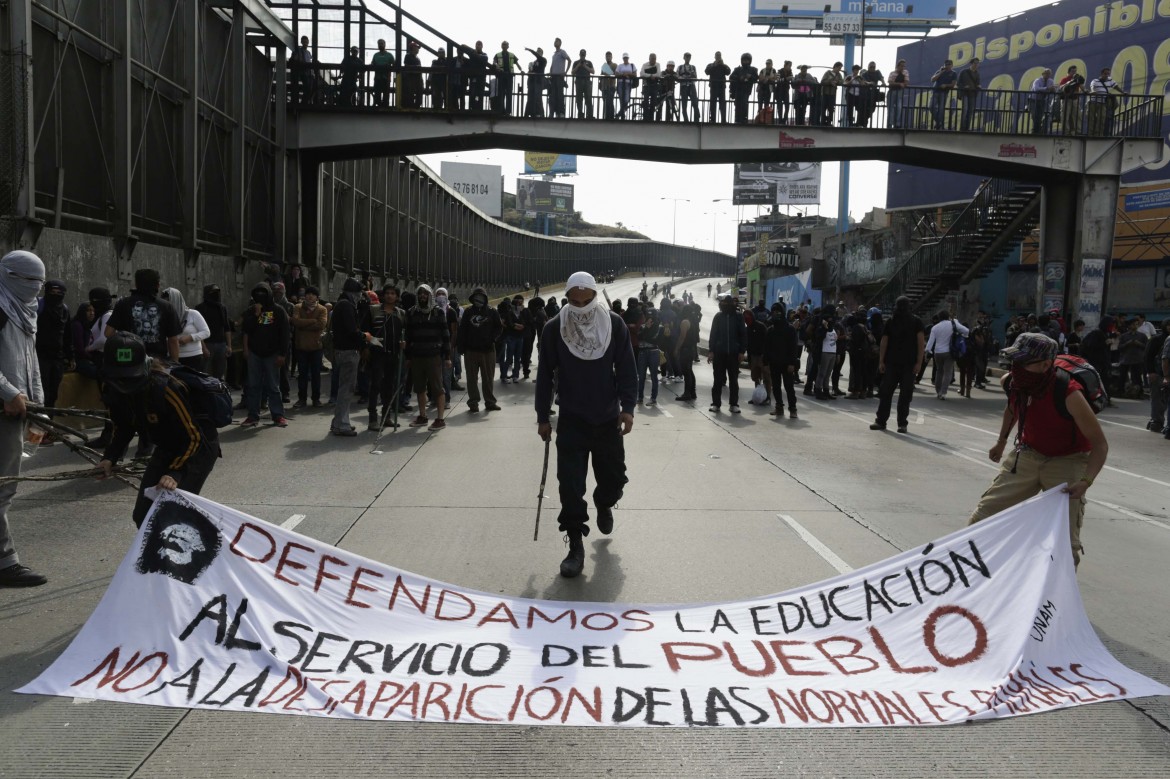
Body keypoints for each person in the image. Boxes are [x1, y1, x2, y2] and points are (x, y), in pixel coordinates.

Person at [967, 333, 1108, 568]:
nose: (1016, 367)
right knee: (981, 519)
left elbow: (1100, 445)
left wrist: (1085, 481)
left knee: (1064, 548)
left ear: (1045, 365)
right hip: (1028, 454)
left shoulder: (1069, 393)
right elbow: (1012, 408)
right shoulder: (1014, 381)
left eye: (1024, 362)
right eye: (1015, 361)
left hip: (1068, 460)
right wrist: (1001, 441)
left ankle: (1055, 600)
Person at [535, 271, 636, 579]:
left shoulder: (614, 325)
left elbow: (627, 368)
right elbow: (544, 375)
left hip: (607, 419)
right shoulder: (555, 329)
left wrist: (628, 408)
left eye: (586, 300)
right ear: (566, 297)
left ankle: (605, 502)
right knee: (570, 486)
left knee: (614, 480)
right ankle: (575, 544)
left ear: (594, 296)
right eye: (573, 301)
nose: (580, 306)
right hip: (572, 420)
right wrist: (542, 416)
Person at [98, 331, 220, 529]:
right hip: (165, 447)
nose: (124, 384)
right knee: (143, 516)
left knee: (171, 517)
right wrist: (109, 457)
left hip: (196, 450)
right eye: (119, 378)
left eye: (129, 377)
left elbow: (193, 436)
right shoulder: (113, 389)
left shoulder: (165, 387)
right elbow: (123, 426)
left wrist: (175, 473)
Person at [0, 250, 48, 587]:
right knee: (2, 487)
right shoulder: (2, 310)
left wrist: (39, 408)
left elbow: (29, 363)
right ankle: (5, 562)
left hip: (18, 409)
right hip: (4, 408)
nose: (35, 288)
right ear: (9, 275)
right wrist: (7, 392)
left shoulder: (22, 311)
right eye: (29, 281)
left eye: (39, 283)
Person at [870, 296, 926, 433]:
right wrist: (882, 361)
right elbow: (885, 341)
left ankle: (899, 423)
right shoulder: (892, 321)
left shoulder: (914, 322)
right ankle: (885, 422)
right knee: (890, 393)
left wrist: (919, 362)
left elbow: (920, 343)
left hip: (905, 364)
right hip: (894, 364)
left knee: (899, 394)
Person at [239, 282, 289, 428]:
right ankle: (252, 416)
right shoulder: (251, 311)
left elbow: (285, 333)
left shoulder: (278, 311)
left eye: (263, 293)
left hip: (272, 354)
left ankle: (278, 415)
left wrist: (282, 354)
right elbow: (246, 329)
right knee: (253, 386)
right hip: (255, 354)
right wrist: (256, 315)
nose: (259, 296)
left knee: (273, 386)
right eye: (257, 293)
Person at [106, 267, 181, 362]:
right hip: (157, 361)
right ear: (158, 285)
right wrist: (175, 364)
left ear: (136, 284)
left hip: (126, 357)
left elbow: (108, 333)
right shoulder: (167, 306)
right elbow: (173, 341)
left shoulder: (122, 303)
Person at [404, 284, 451, 430]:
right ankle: (423, 416)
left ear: (430, 295)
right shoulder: (412, 313)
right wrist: (408, 357)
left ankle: (440, 419)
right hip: (417, 356)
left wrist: (448, 356)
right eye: (420, 294)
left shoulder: (438, 313)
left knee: (437, 388)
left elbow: (446, 335)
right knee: (419, 388)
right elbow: (408, 336)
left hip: (434, 356)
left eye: (425, 294)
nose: (422, 296)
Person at [329, 278, 372, 436]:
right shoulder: (346, 306)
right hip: (348, 351)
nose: (360, 296)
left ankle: (338, 421)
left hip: (341, 350)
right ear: (353, 292)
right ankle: (342, 424)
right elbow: (352, 330)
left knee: (343, 388)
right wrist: (365, 337)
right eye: (359, 292)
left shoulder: (341, 304)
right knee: (346, 389)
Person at [458, 287, 502, 413]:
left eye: (481, 296)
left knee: (488, 378)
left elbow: (499, 328)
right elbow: (462, 330)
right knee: (471, 379)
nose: (479, 299)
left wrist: (492, 339)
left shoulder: (492, 312)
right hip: (470, 351)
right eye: (476, 296)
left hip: (488, 351)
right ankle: (473, 403)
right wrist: (461, 346)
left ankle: (490, 402)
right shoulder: (468, 312)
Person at [34, 279, 70, 410]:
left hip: (57, 357)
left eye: (58, 292)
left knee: (53, 392)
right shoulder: (38, 305)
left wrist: (70, 357)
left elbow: (67, 335)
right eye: (52, 292)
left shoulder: (64, 310)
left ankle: (49, 420)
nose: (55, 295)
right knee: (43, 390)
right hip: (40, 356)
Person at [708, 294, 746, 413]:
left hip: (734, 354)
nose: (725, 305)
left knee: (733, 380)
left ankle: (734, 404)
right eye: (724, 303)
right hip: (719, 354)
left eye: (727, 303)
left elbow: (743, 335)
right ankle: (716, 404)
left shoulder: (739, 317)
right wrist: (711, 351)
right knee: (718, 380)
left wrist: (741, 352)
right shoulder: (718, 317)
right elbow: (713, 335)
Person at [291, 286, 327, 408]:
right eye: (308, 294)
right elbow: (295, 322)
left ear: (317, 297)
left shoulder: (322, 309)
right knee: (302, 374)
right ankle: (302, 399)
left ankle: (316, 399)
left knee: (316, 375)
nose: (310, 296)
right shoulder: (298, 307)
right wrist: (312, 321)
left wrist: (303, 324)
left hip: (316, 347)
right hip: (301, 346)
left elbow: (321, 324)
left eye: (313, 294)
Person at [160, 287, 210, 371]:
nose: (167, 306)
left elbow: (206, 332)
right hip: (173, 358)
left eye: (169, 302)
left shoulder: (193, 314)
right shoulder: (164, 316)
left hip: (194, 358)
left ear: (177, 301)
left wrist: (190, 337)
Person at [924, 309, 968, 400]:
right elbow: (966, 331)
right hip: (949, 352)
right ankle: (943, 393)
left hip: (937, 352)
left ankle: (938, 391)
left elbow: (930, 342)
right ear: (948, 316)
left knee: (939, 371)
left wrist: (927, 352)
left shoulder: (935, 327)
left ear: (939, 318)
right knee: (947, 372)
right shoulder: (953, 323)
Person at [195, 284, 232, 382]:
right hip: (207, 344)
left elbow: (226, 327)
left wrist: (229, 345)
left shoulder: (222, 308)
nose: (216, 295)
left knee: (220, 374)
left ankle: (219, 394)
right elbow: (197, 330)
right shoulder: (200, 308)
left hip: (221, 344)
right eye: (213, 293)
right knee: (204, 374)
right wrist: (203, 347)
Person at [1087, 66, 1126, 136]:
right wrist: (1093, 91)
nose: (1107, 75)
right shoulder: (1095, 81)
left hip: (1102, 103)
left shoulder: (1110, 81)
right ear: (1101, 74)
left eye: (1108, 74)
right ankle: (1090, 134)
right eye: (1105, 74)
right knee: (1091, 119)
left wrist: (1122, 92)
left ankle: (1099, 134)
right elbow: (1092, 87)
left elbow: (1116, 87)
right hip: (1093, 102)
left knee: (1101, 119)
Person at [730, 53, 758, 124]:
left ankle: (744, 118)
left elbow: (756, 78)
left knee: (744, 103)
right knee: (737, 104)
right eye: (744, 60)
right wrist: (739, 78)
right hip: (738, 89)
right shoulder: (737, 69)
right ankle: (737, 119)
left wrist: (750, 77)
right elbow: (731, 77)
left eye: (747, 60)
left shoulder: (753, 70)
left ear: (750, 61)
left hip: (746, 90)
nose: (745, 62)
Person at [929, 59, 957, 130]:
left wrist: (946, 85)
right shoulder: (939, 71)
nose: (947, 66)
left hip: (944, 93)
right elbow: (932, 79)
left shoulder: (953, 73)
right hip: (935, 91)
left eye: (949, 64)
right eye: (946, 64)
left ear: (952, 65)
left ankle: (939, 124)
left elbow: (953, 85)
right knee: (931, 107)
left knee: (941, 109)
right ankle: (939, 122)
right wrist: (941, 72)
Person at [1059, 65, 1085, 135]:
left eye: (1075, 71)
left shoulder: (1077, 79)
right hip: (1066, 99)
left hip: (1075, 100)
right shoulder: (1064, 79)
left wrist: (1086, 91)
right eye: (1073, 71)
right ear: (1069, 72)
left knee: (1078, 116)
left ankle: (1078, 131)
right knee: (1065, 116)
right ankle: (1066, 132)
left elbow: (1083, 88)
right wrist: (1069, 83)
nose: (1074, 73)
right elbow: (1061, 88)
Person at [547, 38, 570, 118]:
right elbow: (553, 65)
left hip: (559, 77)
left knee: (560, 95)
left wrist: (565, 72)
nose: (555, 42)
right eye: (555, 41)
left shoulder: (562, 52)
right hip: (553, 77)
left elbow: (569, 60)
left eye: (557, 41)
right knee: (553, 96)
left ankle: (561, 113)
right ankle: (555, 112)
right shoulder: (554, 54)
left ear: (560, 43)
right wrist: (550, 72)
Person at [1029, 68, 1056, 134]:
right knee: (1035, 116)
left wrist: (1053, 90)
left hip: (1042, 100)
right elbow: (1036, 89)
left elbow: (1053, 90)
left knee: (1040, 116)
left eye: (1049, 74)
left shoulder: (1051, 81)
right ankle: (1035, 130)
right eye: (1046, 73)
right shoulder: (1037, 80)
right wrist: (1047, 88)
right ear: (1042, 74)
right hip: (1033, 100)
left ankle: (1036, 131)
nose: (1047, 75)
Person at [957, 58, 981, 131]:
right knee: (965, 110)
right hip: (964, 93)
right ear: (971, 63)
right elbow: (958, 83)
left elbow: (978, 83)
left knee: (970, 111)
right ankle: (962, 128)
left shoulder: (977, 73)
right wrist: (964, 87)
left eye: (978, 63)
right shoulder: (963, 72)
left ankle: (967, 128)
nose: (976, 64)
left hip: (972, 94)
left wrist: (979, 86)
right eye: (975, 63)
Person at [289, 36, 315, 105]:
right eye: (304, 42)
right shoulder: (299, 51)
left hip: (309, 72)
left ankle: (305, 102)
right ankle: (305, 103)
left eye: (306, 42)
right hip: (304, 72)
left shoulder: (308, 52)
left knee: (310, 88)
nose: (305, 44)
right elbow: (295, 59)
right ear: (302, 42)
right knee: (307, 88)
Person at [370, 39, 395, 108]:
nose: (380, 45)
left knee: (386, 94)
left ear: (385, 44)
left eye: (381, 43)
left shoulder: (389, 55)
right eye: (379, 44)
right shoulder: (375, 55)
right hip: (377, 78)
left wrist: (395, 78)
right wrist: (371, 65)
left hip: (386, 78)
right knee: (377, 93)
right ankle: (379, 106)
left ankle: (385, 107)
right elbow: (373, 63)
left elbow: (395, 67)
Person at [706, 52, 730, 123]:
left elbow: (728, 72)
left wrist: (723, 65)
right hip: (713, 87)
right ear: (715, 57)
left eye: (719, 56)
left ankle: (723, 119)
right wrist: (714, 65)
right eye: (717, 55)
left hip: (721, 87)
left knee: (722, 103)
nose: (718, 57)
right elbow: (707, 71)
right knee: (713, 103)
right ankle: (712, 119)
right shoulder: (711, 65)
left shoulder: (724, 65)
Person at [524, 46, 547, 118]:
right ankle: (529, 113)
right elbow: (531, 72)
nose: (538, 52)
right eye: (537, 51)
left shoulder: (543, 60)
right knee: (530, 98)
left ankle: (539, 114)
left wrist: (530, 49)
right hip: (532, 82)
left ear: (542, 53)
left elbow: (537, 56)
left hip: (539, 81)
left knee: (538, 98)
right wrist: (529, 71)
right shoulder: (534, 62)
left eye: (539, 51)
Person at [818, 62, 844, 126]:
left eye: (840, 68)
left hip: (832, 94)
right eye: (839, 68)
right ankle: (823, 122)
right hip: (825, 93)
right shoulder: (827, 73)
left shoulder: (839, 75)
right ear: (835, 67)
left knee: (831, 109)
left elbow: (842, 81)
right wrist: (830, 82)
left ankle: (829, 122)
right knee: (823, 108)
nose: (839, 69)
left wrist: (837, 82)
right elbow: (822, 81)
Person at [572, 49, 594, 118]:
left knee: (588, 98)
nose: (582, 56)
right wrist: (578, 65)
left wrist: (585, 66)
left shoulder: (589, 62)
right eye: (581, 55)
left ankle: (589, 114)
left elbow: (593, 71)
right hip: (578, 81)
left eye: (583, 55)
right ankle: (580, 113)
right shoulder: (576, 62)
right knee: (579, 98)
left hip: (587, 81)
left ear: (585, 55)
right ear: (579, 55)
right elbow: (572, 72)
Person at [678, 53, 700, 122]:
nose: (687, 58)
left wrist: (691, 76)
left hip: (691, 86)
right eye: (686, 57)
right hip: (684, 86)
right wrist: (684, 77)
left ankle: (696, 119)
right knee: (684, 104)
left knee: (695, 102)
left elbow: (695, 78)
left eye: (689, 57)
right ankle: (686, 119)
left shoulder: (693, 67)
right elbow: (677, 77)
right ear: (684, 58)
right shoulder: (680, 67)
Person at [888, 59, 909, 128]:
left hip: (899, 92)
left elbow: (906, 83)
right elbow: (890, 83)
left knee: (898, 108)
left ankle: (896, 124)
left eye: (904, 66)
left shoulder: (905, 72)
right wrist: (900, 84)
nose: (903, 68)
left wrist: (897, 84)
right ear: (898, 66)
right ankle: (890, 124)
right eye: (901, 66)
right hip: (891, 92)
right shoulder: (892, 73)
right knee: (891, 109)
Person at [402, 41, 424, 109]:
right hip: (410, 78)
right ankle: (410, 105)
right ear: (413, 48)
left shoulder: (417, 58)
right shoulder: (408, 56)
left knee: (418, 91)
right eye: (417, 47)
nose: (418, 49)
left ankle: (417, 104)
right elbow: (407, 65)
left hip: (417, 78)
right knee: (410, 92)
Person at [616, 53, 638, 119]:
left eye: (626, 58)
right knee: (621, 99)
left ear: (628, 58)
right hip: (620, 83)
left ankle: (620, 112)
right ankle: (622, 115)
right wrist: (623, 74)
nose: (625, 59)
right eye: (624, 58)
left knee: (626, 99)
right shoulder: (620, 65)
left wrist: (628, 74)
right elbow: (616, 74)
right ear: (623, 59)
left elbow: (635, 74)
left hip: (628, 84)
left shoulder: (632, 65)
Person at [599, 52, 617, 119]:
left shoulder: (615, 65)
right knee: (605, 102)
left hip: (611, 86)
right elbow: (601, 75)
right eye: (607, 56)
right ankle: (607, 116)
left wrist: (609, 74)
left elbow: (616, 74)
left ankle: (610, 117)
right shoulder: (604, 65)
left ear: (612, 57)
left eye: (609, 56)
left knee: (610, 101)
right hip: (604, 86)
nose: (608, 57)